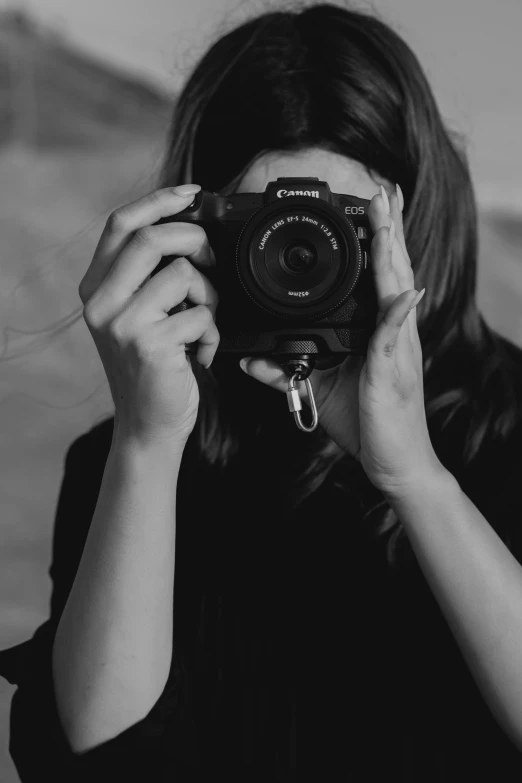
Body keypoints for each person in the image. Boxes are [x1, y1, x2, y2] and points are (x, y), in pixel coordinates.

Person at [1, 3, 522, 781]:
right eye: (271, 232)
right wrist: (146, 445)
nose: (306, 267)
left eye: (341, 229)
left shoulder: (510, 426)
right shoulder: (129, 458)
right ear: (203, 229)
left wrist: (416, 475)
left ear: (409, 221)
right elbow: (97, 764)